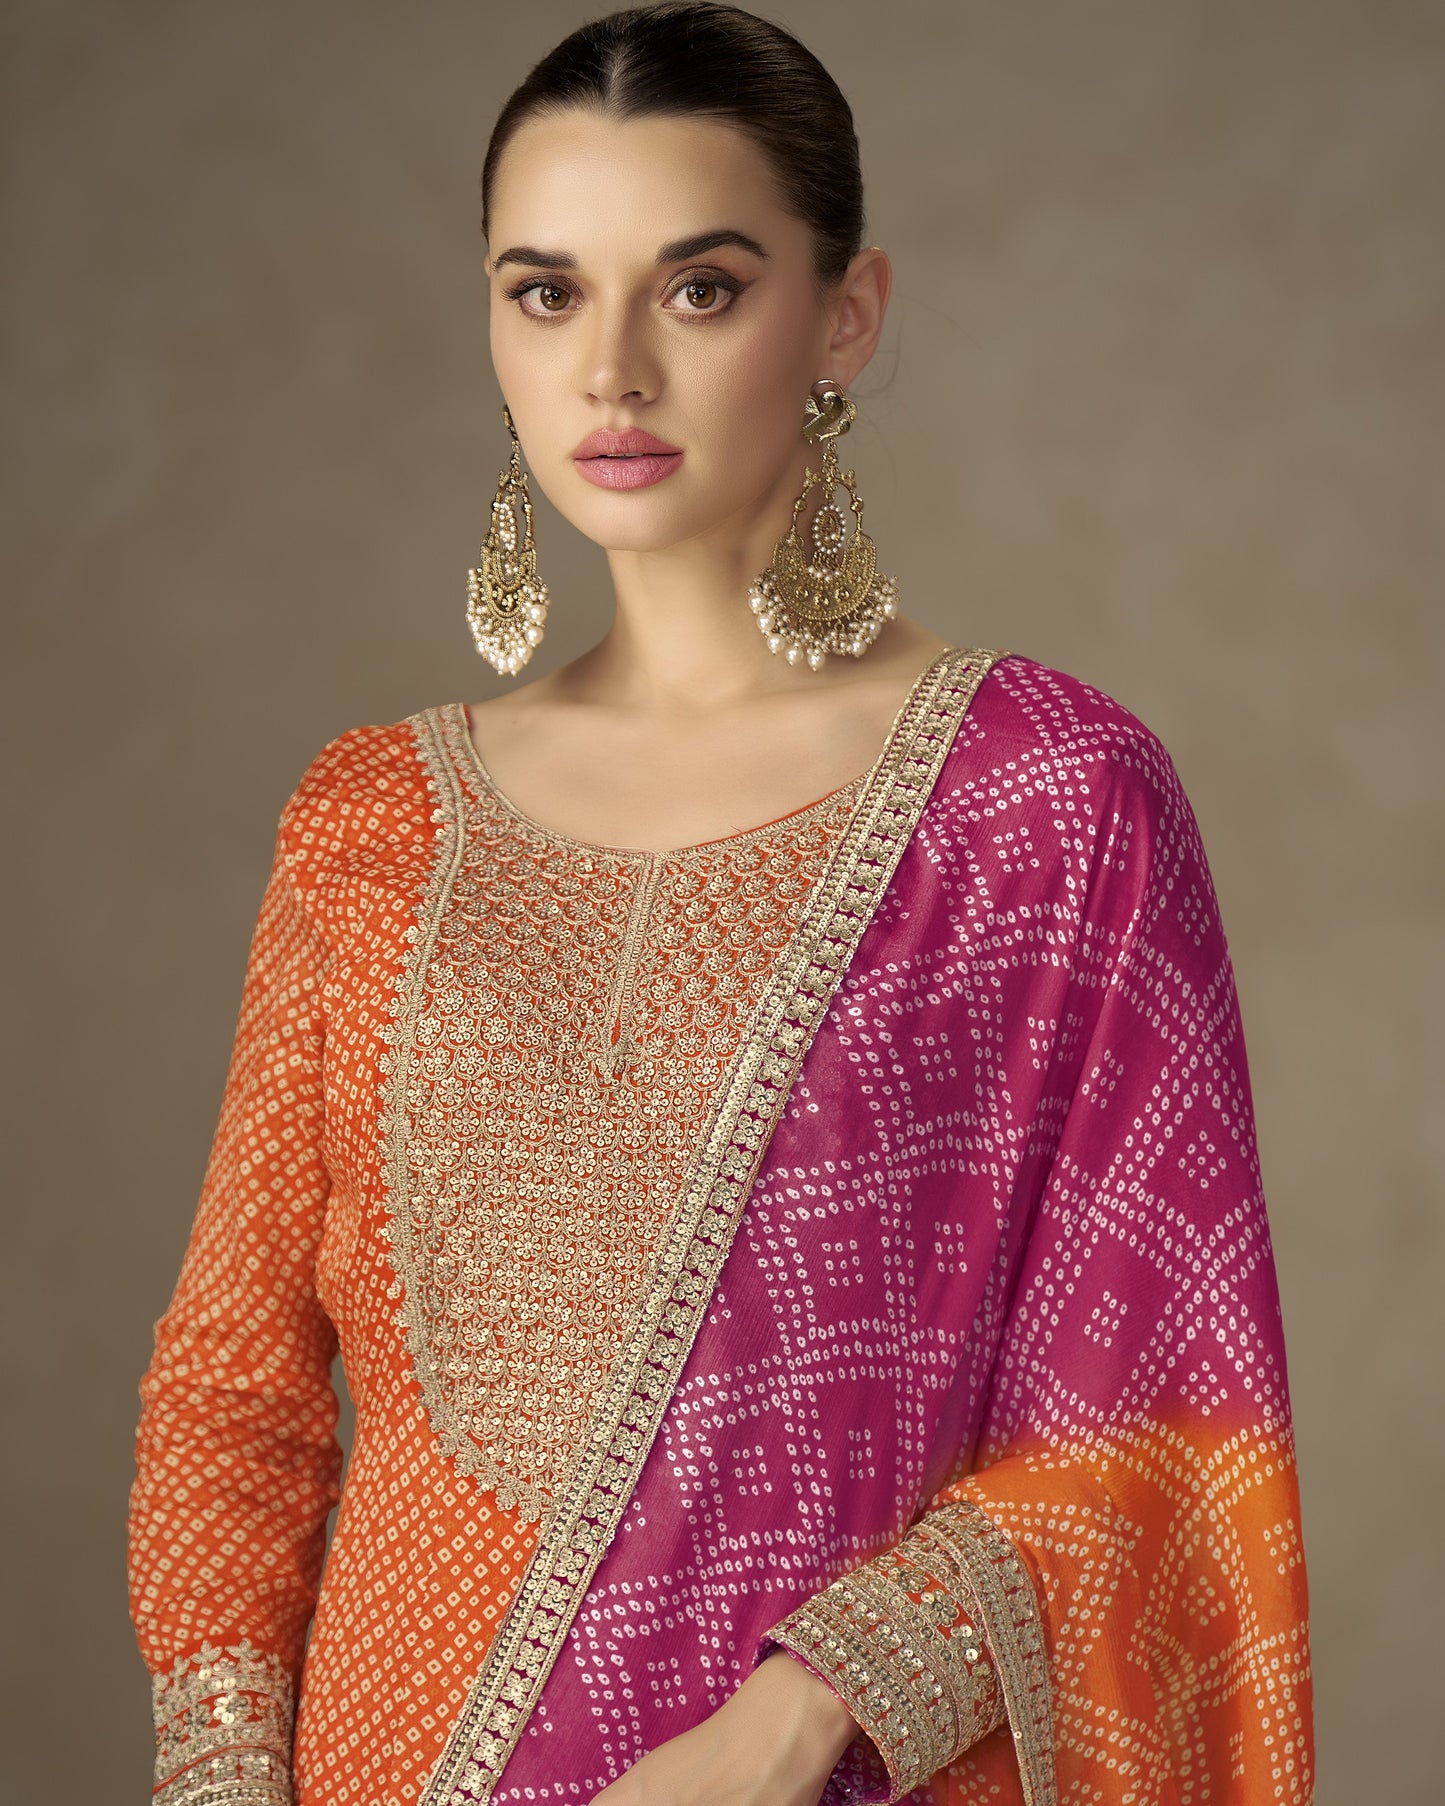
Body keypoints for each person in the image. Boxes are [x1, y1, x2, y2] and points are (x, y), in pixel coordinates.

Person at [126, 6, 1314, 1804]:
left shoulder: (1044, 802)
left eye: (696, 288)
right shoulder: (368, 820)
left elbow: (1160, 1425)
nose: (609, 368)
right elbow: (234, 1397)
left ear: (845, 314)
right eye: (544, 291)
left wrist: (797, 1718)